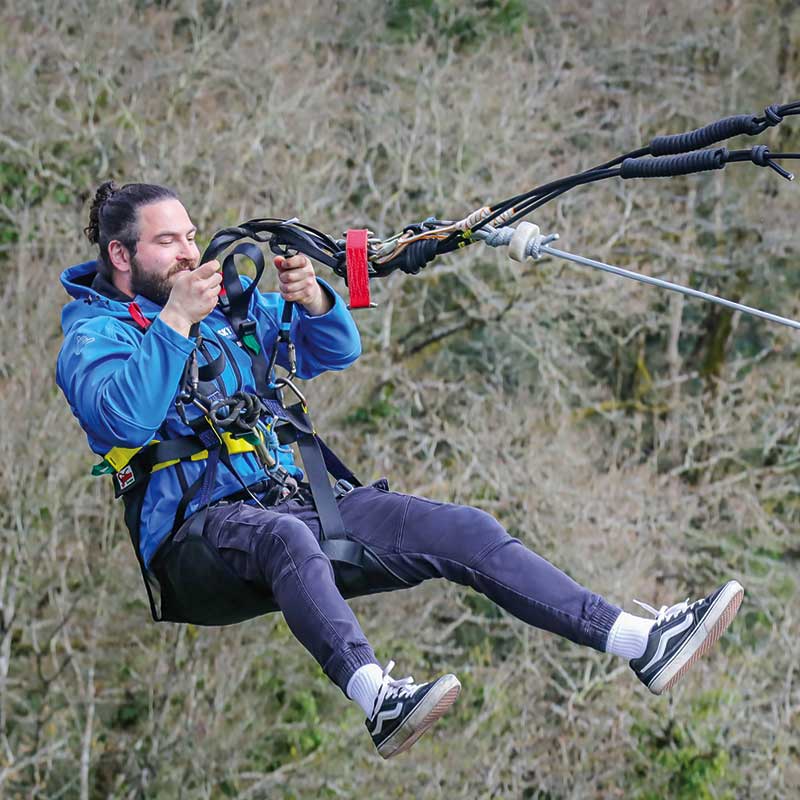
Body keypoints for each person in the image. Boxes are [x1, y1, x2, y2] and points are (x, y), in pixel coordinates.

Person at [56, 182, 744, 759]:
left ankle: (639, 642)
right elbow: (123, 420)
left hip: (285, 502)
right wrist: (174, 320)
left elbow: (331, 350)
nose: (187, 251)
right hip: (194, 543)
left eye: (190, 235)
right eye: (166, 241)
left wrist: (313, 298)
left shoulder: (223, 312)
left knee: (463, 531)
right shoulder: (94, 337)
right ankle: (378, 700)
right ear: (121, 255)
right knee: (284, 541)